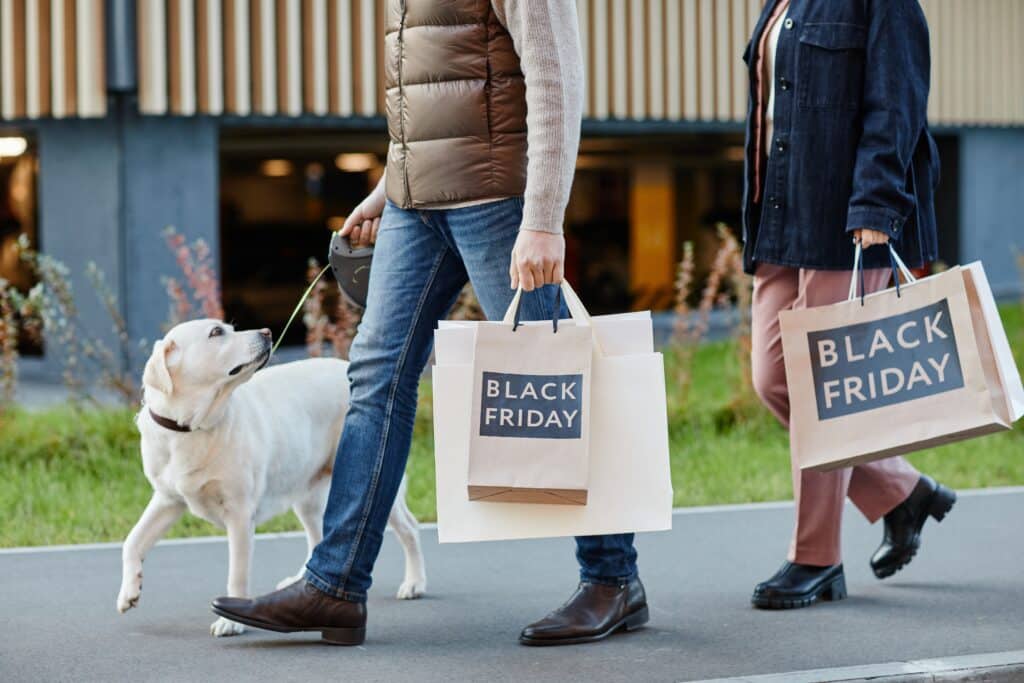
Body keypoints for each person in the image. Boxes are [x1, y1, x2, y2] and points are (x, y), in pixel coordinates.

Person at [211, 0, 645, 645]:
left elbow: (556, 80)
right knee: (375, 379)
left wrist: (544, 218)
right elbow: (432, 102)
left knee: (558, 379)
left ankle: (613, 580)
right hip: (417, 206)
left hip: (498, 200)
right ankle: (334, 587)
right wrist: (389, 187)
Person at [740, 0, 956, 609]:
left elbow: (898, 103)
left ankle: (815, 558)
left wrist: (876, 207)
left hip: (849, 222)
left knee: (822, 392)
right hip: (782, 218)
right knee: (774, 377)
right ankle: (902, 488)